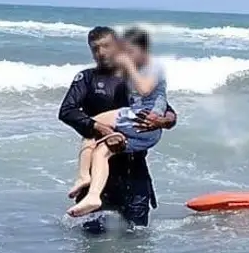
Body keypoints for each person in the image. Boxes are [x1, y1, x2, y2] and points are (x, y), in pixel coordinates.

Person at [58, 26, 178, 229]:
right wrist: (100, 129)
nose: (101, 53)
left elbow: (167, 111)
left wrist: (163, 122)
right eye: (95, 48)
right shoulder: (87, 78)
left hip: (134, 171)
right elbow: (67, 111)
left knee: (137, 242)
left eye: (106, 46)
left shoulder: (135, 77)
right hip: (99, 175)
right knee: (92, 245)